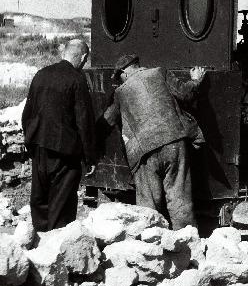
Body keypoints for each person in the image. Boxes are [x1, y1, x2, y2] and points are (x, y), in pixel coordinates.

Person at [103, 54, 206, 229]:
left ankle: (150, 246)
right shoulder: (160, 72)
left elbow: (107, 120)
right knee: (180, 197)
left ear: (124, 72)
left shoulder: (120, 92)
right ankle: (188, 244)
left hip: (144, 151)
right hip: (174, 142)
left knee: (148, 205)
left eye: (118, 77)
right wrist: (196, 81)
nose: (119, 82)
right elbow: (185, 93)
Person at [22, 39, 96, 232]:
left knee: (40, 199)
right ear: (83, 57)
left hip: (39, 147)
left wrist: (31, 143)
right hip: (65, 152)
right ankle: (56, 249)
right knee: (61, 204)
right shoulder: (77, 79)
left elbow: (27, 114)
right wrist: (89, 156)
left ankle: (39, 242)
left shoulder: (41, 75)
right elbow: (84, 121)